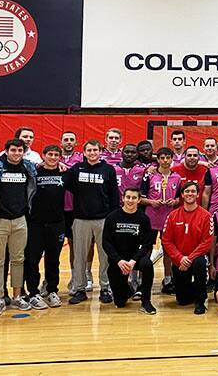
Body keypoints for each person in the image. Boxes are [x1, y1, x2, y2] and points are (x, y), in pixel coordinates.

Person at [0, 138, 38, 315]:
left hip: (20, 219)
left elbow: (47, 165)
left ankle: (17, 296)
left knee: (18, 259)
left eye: (20, 150)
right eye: (13, 150)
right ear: (6, 151)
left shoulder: (28, 167)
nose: (16, 153)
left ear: (24, 152)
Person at [64, 139, 121, 305]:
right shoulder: (76, 169)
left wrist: (112, 218)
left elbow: (113, 195)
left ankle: (105, 288)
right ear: (84, 152)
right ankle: (80, 288)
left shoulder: (108, 170)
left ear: (100, 151)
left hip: (103, 219)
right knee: (80, 256)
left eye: (95, 150)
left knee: (105, 256)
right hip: (81, 219)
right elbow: (68, 186)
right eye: (89, 150)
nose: (92, 153)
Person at [24, 145, 66, 310]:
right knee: (33, 259)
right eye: (50, 154)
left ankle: (51, 290)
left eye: (57, 155)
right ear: (43, 155)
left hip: (57, 223)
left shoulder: (65, 173)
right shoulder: (34, 172)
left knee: (53, 259)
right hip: (35, 223)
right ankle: (33, 292)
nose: (53, 157)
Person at [103, 188, 156, 314]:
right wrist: (119, 260)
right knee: (120, 303)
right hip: (119, 260)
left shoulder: (143, 219)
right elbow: (106, 243)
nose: (130, 200)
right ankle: (127, 290)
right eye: (128, 197)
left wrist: (133, 261)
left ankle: (146, 301)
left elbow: (147, 244)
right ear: (123, 198)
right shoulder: (112, 217)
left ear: (139, 200)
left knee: (147, 264)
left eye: (134, 198)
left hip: (135, 259)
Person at [162, 181, 213, 314]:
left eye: (193, 191)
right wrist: (180, 258)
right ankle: (193, 290)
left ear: (197, 195)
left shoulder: (206, 216)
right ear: (182, 195)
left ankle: (201, 301)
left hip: (195, 259)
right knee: (182, 300)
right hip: (180, 261)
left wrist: (189, 258)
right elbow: (167, 241)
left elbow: (207, 242)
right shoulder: (172, 216)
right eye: (187, 191)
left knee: (200, 262)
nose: (190, 194)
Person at [140, 147, 182, 294]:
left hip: (169, 220)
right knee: (146, 250)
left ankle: (168, 280)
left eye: (168, 158)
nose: (165, 161)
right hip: (151, 219)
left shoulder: (177, 177)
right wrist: (152, 202)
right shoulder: (149, 176)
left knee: (168, 250)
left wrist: (174, 201)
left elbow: (178, 198)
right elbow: (141, 198)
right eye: (162, 158)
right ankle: (142, 281)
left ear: (172, 159)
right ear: (157, 160)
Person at [61, 131, 86, 294]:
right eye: (66, 140)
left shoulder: (81, 160)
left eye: (72, 140)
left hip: (74, 209)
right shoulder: (53, 157)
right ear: (61, 142)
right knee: (52, 248)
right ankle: (49, 280)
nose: (69, 142)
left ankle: (75, 277)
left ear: (76, 142)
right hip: (56, 209)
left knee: (74, 246)